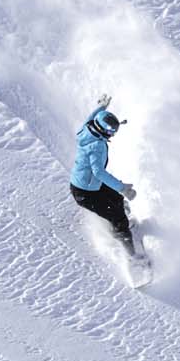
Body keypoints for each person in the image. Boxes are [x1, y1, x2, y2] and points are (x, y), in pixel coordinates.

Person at [70, 96, 140, 256]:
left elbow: (91, 118)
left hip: (86, 185)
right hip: (85, 193)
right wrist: (123, 188)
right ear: (102, 130)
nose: (112, 135)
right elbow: (99, 172)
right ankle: (132, 257)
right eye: (110, 131)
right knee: (118, 218)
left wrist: (102, 107)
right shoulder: (98, 146)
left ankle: (118, 226)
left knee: (116, 199)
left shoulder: (86, 129)